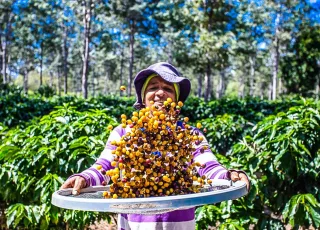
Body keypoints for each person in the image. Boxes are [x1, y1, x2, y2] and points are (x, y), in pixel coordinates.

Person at [61, 62, 250, 230]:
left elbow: (208, 167)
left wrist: (228, 176)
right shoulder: (124, 131)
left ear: (176, 100)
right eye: (153, 87)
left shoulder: (190, 134)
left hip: (178, 223)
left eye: (168, 88)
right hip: (134, 222)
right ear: (143, 99)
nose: (160, 93)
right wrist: (84, 178)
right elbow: (104, 167)